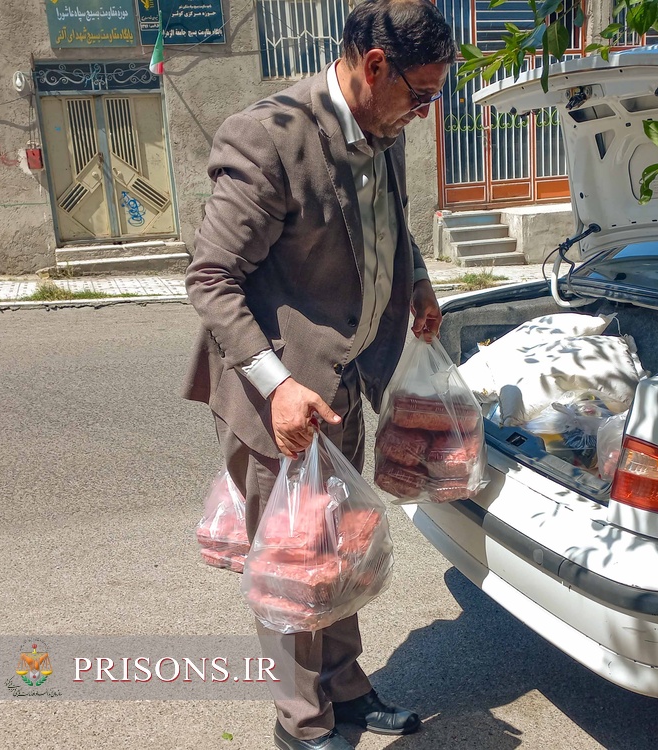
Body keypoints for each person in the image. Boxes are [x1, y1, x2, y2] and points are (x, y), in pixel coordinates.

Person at [183, 1, 456, 747]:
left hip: (344, 388)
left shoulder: (383, 125)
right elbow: (211, 279)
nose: (426, 113)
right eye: (423, 95)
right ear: (375, 67)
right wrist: (277, 384)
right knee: (292, 565)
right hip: (281, 399)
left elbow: (390, 227)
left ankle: (346, 689)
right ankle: (301, 723)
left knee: (340, 546)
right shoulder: (270, 137)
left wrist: (420, 285)